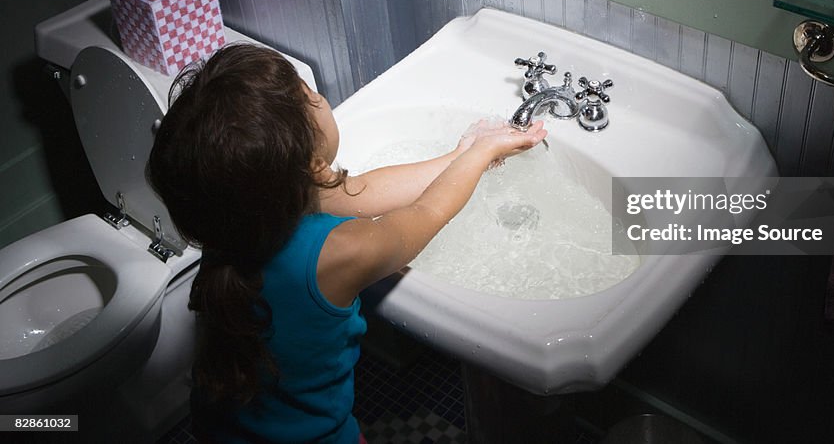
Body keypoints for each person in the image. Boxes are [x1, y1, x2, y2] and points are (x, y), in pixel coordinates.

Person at [146, 43, 546, 443]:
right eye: (312, 97)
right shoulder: (340, 254)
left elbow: (361, 190)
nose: (321, 97)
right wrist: (482, 154)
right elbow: (427, 214)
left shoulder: (236, 211)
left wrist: (462, 153)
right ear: (311, 164)